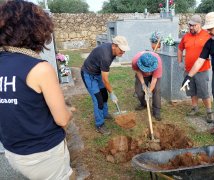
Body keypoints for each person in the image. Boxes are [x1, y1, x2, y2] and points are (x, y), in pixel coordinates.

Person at [0, 1, 73, 179]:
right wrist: (68, 111)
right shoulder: (39, 68)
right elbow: (62, 119)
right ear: (37, 29)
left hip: (12, 152)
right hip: (43, 155)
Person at [81, 36, 130, 135]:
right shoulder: (106, 56)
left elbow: (103, 76)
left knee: (104, 95)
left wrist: (108, 93)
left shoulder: (112, 50)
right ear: (114, 46)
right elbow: (105, 79)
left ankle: (105, 113)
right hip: (89, 75)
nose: (123, 53)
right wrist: (112, 92)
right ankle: (100, 124)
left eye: (124, 51)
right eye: (121, 50)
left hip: (97, 72)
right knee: (98, 99)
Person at [178, 14, 213, 122]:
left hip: (202, 70)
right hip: (188, 70)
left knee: (204, 92)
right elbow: (180, 49)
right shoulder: (186, 36)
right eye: (190, 25)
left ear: (199, 25)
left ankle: (209, 112)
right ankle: (195, 108)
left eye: (193, 25)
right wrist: (180, 61)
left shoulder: (207, 36)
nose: (191, 27)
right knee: (191, 91)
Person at [132, 51, 162, 121]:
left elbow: (154, 79)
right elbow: (138, 71)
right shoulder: (135, 61)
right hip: (142, 75)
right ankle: (143, 104)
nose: (148, 72)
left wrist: (149, 92)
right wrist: (143, 84)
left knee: (157, 90)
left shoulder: (158, 62)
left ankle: (156, 110)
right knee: (139, 91)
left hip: (154, 75)